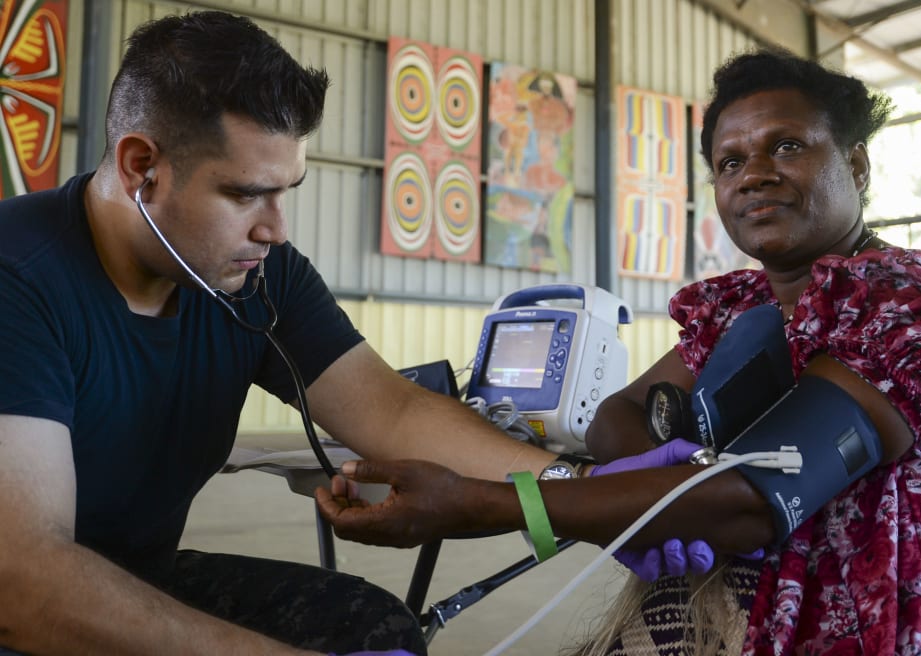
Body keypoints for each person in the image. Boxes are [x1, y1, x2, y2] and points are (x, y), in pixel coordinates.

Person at [317, 48, 921, 655]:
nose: (753, 173)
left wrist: (491, 504)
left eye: (786, 146)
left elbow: (761, 496)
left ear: (856, 166)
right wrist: (659, 478)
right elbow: (619, 410)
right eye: (729, 163)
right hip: (781, 606)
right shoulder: (743, 304)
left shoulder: (914, 299)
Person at [0, 10, 618, 656]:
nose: (276, 229)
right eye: (245, 195)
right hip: (25, 606)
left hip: (134, 579)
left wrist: (586, 497)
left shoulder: (255, 275)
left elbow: (394, 410)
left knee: (370, 627)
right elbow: (22, 580)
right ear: (140, 166)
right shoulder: (17, 277)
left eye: (286, 191)